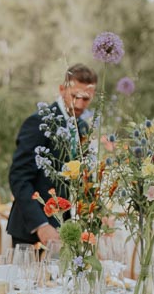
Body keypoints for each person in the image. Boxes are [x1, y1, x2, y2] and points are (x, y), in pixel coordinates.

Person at [6, 64, 97, 248]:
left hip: (65, 228)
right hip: (31, 232)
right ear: (62, 89)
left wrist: (95, 216)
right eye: (75, 97)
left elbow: (84, 178)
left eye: (86, 99)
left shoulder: (83, 128)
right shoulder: (38, 122)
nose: (80, 104)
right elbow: (19, 177)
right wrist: (41, 225)